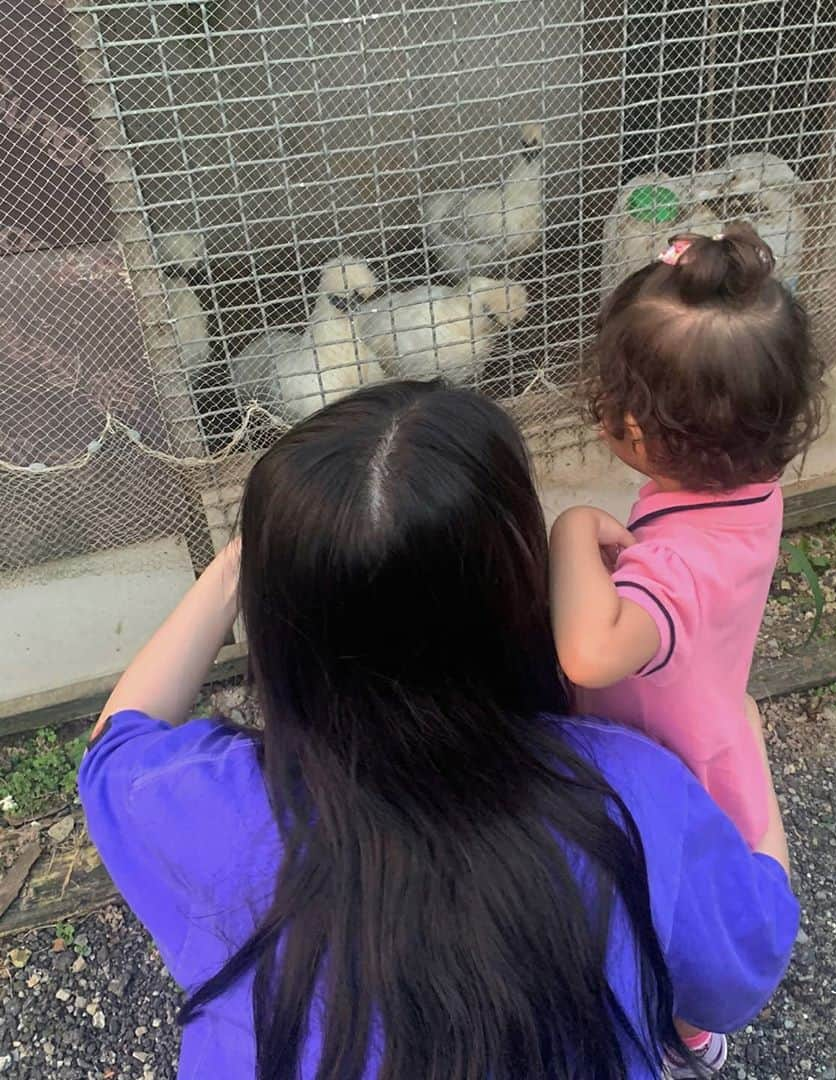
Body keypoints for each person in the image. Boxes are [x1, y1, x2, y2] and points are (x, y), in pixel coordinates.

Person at [79, 381, 798, 1080]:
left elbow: (116, 737)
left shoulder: (194, 803)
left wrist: (251, 557)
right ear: (514, 580)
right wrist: (743, 737)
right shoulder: (626, 793)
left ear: (279, 615)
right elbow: (738, 980)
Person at [549, 224, 823, 1073]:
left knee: (663, 915)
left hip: (661, 769)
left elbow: (590, 654)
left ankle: (686, 1035)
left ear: (631, 421)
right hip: (712, 718)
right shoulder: (753, 490)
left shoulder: (675, 565)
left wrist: (566, 535)